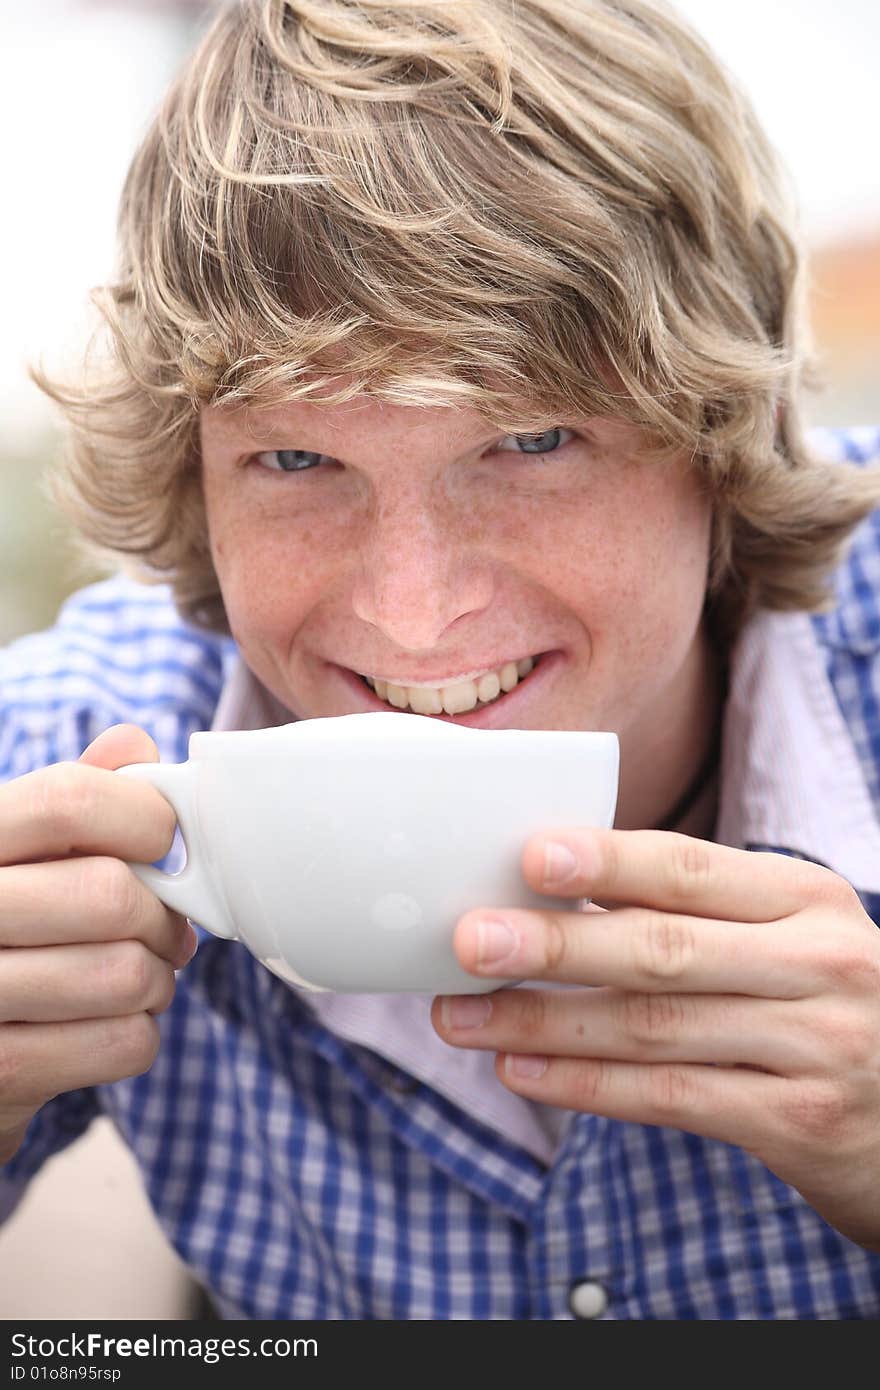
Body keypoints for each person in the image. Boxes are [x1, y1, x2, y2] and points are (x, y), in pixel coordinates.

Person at [2, 0, 880, 1320]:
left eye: (530, 444)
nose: (413, 615)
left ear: (723, 432)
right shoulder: (86, 762)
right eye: (296, 460)